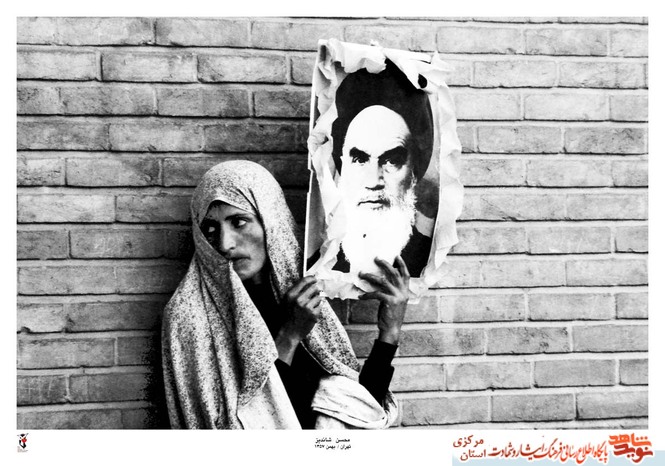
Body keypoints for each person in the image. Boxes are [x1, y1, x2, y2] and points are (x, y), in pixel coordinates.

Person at [161, 160, 409, 429]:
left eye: (239, 222)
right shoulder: (189, 316)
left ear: (272, 222)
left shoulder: (299, 297)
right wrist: (289, 337)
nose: (224, 243)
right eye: (210, 230)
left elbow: (358, 415)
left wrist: (389, 332)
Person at [309, 60, 436, 278]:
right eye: (359, 159)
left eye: (391, 160)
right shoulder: (319, 267)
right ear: (343, 167)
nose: (373, 181)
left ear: (414, 172)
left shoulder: (429, 263)